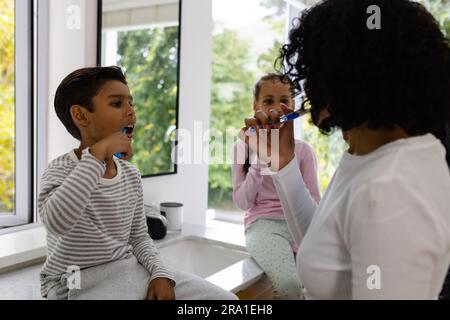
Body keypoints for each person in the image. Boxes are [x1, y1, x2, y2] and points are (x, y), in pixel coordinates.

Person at [242, 0, 450, 299]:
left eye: (315, 70)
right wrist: (283, 163)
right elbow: (327, 250)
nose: (308, 84)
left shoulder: (390, 187)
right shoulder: (372, 155)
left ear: (347, 76)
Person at [38, 66, 237, 300]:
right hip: (74, 281)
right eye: (116, 103)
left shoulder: (130, 175)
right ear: (81, 116)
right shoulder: (60, 169)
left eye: (131, 103)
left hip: (128, 269)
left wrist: (160, 273)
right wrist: (98, 154)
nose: (131, 112)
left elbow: (139, 237)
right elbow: (57, 222)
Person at [232, 73, 321, 299]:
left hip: (299, 225)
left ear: (292, 106)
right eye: (268, 101)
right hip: (263, 225)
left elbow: (315, 201)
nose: (276, 108)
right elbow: (242, 202)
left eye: (284, 101)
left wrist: (305, 244)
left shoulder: (304, 151)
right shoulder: (242, 147)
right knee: (290, 284)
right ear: (255, 105)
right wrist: (261, 159)